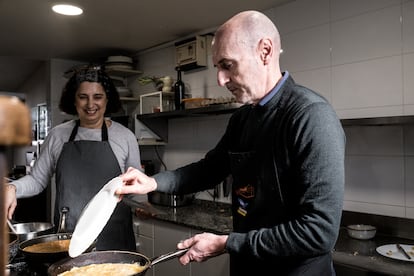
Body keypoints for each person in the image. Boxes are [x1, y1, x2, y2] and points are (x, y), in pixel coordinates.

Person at [118, 10, 345, 276]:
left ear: (265, 51)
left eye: (228, 65)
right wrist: (154, 182)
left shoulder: (311, 116)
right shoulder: (243, 118)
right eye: (218, 68)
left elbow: (318, 232)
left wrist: (227, 242)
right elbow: (209, 169)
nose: (220, 80)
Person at [4, 66, 141, 251]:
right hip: (69, 238)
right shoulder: (57, 136)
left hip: (115, 238)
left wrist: (143, 206)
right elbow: (37, 180)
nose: (90, 104)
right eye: (83, 96)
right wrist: (12, 188)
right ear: (73, 100)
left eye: (97, 97)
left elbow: (136, 188)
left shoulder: (125, 137)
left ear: (107, 99)